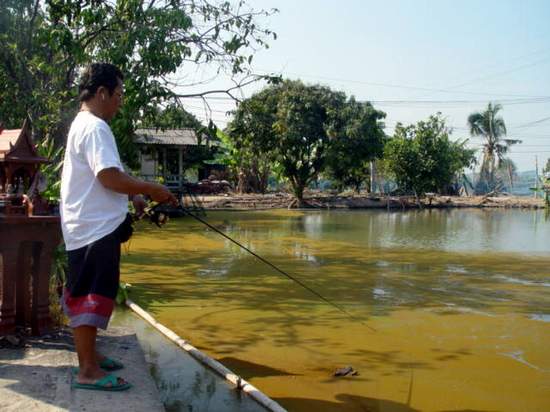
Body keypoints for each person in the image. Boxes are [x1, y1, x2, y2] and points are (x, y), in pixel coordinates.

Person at [60, 63, 177, 391]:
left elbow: (107, 176)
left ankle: (91, 357)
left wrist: (136, 195)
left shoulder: (83, 124)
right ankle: (87, 371)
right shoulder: (96, 128)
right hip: (93, 231)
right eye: (119, 95)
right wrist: (152, 189)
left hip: (89, 227)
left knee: (91, 293)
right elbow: (108, 177)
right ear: (102, 93)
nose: (120, 102)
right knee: (90, 296)